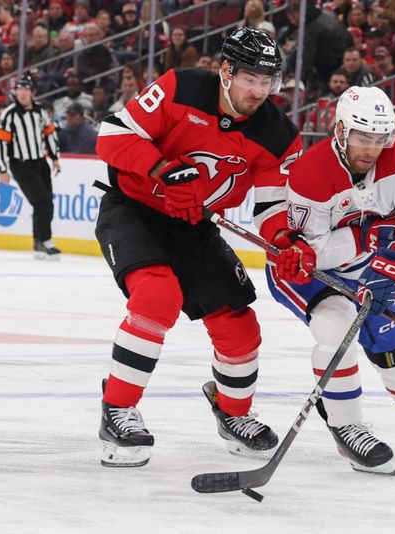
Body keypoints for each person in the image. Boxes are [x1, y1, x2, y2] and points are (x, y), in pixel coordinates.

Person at [93, 27, 303, 468]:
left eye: (269, 82)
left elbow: (271, 209)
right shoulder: (181, 86)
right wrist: (162, 170)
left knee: (240, 324)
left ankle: (233, 413)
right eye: (251, 79)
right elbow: (111, 136)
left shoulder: (278, 134)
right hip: (134, 210)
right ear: (226, 71)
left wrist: (284, 241)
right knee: (157, 295)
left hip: (195, 228)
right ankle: (118, 409)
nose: (260, 91)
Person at [266, 86, 395, 475]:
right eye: (364, 138)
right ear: (342, 130)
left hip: (368, 269)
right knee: (337, 329)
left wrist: (394, 262)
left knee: (391, 342)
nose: (372, 148)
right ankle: (347, 427)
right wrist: (369, 239)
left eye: (381, 139)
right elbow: (315, 251)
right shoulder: (311, 172)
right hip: (306, 275)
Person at [0, 75, 62, 260]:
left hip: (40, 162)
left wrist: (55, 158)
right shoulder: (9, 114)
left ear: (32, 91)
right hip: (21, 164)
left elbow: (49, 133)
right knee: (43, 202)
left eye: (26, 89)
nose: (22, 93)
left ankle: (38, 243)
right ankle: (47, 241)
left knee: (45, 204)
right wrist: (2, 169)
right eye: (19, 89)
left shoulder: (40, 111)